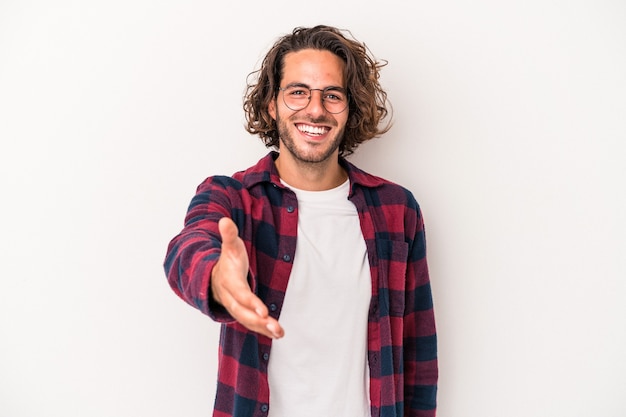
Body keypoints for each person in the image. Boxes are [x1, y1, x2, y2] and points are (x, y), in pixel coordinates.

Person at [164, 25, 438, 417]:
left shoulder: (397, 210)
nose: (315, 109)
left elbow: (419, 355)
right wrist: (217, 279)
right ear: (272, 104)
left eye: (332, 95)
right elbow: (188, 247)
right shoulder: (233, 197)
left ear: (350, 107)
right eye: (298, 92)